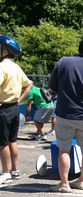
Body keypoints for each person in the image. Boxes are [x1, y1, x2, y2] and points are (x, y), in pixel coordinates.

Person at [48, 37, 83, 193]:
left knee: (64, 150)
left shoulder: (63, 62)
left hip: (64, 114)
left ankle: (64, 184)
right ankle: (81, 180)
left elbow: (52, 87)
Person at [0, 35, 33, 184]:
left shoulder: (2, 67)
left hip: (3, 109)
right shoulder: (16, 67)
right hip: (14, 107)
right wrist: (20, 99)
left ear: (5, 51)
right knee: (13, 140)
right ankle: (15, 170)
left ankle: (5, 173)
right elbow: (29, 84)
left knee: (2, 143)